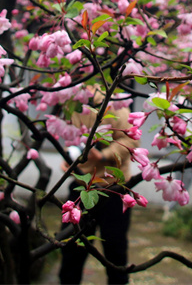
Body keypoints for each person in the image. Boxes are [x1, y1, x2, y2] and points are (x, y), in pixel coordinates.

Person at [58, 89, 136, 285]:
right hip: (82, 187)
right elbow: (72, 136)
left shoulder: (114, 104)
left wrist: (103, 155)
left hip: (113, 189)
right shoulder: (72, 103)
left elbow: (131, 139)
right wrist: (70, 159)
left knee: (115, 251)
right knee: (71, 250)